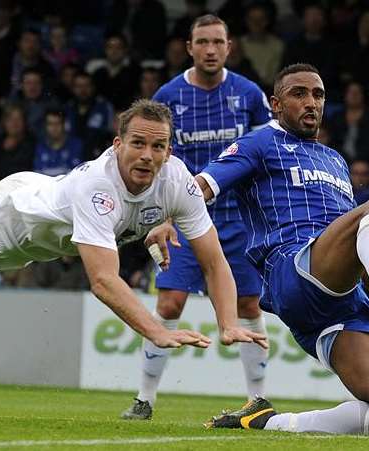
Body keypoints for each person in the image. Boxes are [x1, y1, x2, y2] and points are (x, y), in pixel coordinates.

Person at [0, 98, 266, 354]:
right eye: (137, 143)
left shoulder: (178, 182)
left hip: (28, 191)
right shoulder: (101, 187)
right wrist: (156, 329)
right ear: (117, 145)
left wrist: (226, 322)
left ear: (169, 151)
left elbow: (214, 262)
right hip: (5, 226)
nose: (147, 155)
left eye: (158, 146)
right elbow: (103, 281)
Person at [194, 63, 369, 437]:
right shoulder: (259, 143)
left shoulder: (335, 161)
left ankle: (265, 421)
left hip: (341, 298)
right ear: (276, 104)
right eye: (299, 94)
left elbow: (360, 245)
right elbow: (201, 187)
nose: (311, 102)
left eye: (318, 94)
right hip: (293, 270)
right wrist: (168, 219)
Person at [121, 14, 272, 421]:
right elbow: (154, 159)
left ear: (229, 47)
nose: (210, 49)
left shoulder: (250, 94)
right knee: (169, 303)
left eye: (217, 42)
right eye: (202, 42)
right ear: (189, 47)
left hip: (239, 219)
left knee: (248, 301)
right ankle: (144, 399)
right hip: (183, 215)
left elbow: (270, 149)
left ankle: (258, 399)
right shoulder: (168, 97)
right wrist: (161, 215)